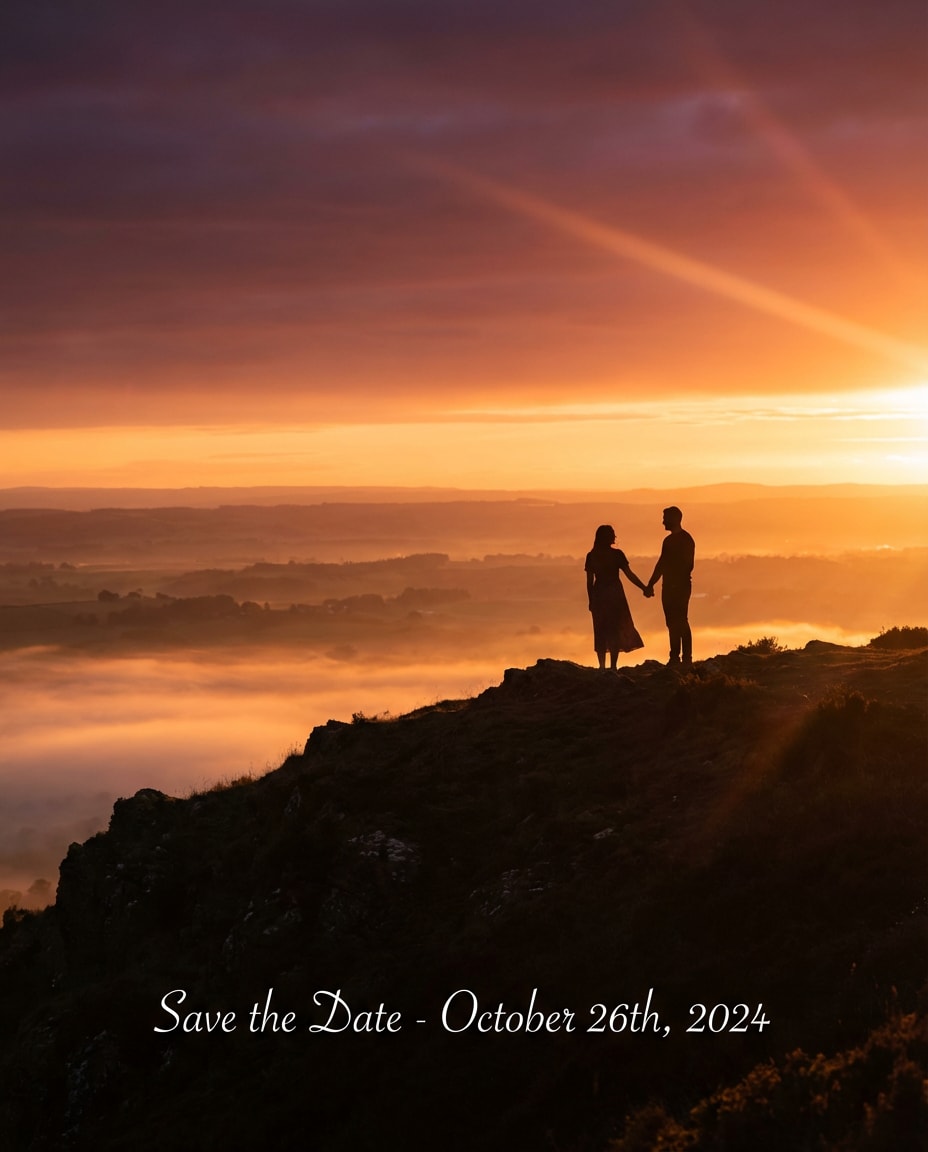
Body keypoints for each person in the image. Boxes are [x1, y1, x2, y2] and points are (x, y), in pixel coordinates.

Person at [584, 524, 649, 671]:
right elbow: (629, 575)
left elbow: (589, 583)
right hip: (615, 595)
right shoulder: (617, 555)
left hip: (600, 594)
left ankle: (602, 667)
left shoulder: (592, 556)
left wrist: (591, 600)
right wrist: (644, 588)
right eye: (612, 534)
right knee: (614, 630)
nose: (615, 536)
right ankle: (613, 667)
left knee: (601, 630)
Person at [645, 506, 695, 666]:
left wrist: (652, 584)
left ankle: (685, 658)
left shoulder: (685, 540)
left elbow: (686, 565)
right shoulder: (669, 541)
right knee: (672, 622)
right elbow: (661, 564)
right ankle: (676, 657)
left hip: (679, 586)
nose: (663, 522)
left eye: (665, 518)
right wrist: (651, 584)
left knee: (680, 620)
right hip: (669, 586)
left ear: (674, 519)